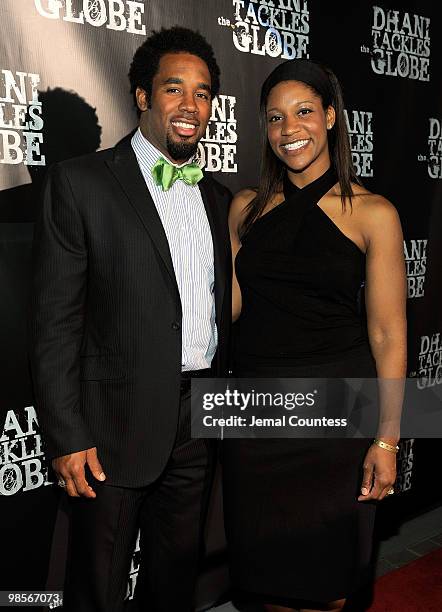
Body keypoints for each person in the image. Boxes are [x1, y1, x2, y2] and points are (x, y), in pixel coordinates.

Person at [29, 26, 231, 612]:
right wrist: (68, 436)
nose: (191, 106)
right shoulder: (81, 183)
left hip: (199, 421)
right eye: (175, 89)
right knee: (98, 588)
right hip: (112, 428)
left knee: (173, 584)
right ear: (143, 96)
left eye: (203, 93)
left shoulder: (217, 198)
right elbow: (55, 322)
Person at [223, 59, 406, 612]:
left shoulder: (373, 212)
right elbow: (225, 311)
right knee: (263, 581)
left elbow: (389, 333)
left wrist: (389, 440)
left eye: (304, 111)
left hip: (336, 415)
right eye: (275, 118)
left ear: (330, 116)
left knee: (328, 588)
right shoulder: (243, 209)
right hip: (253, 412)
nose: (289, 129)